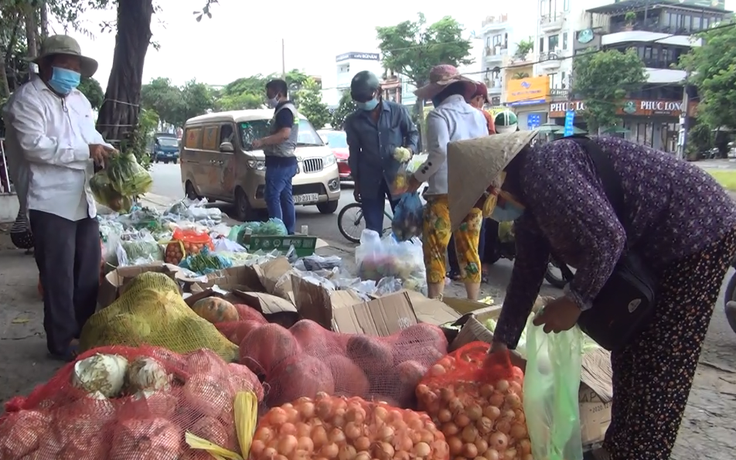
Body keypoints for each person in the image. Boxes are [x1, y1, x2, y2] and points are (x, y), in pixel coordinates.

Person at [449, 132, 736, 460]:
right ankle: (618, 448)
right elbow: (526, 275)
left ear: (497, 183)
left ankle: (642, 453)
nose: (489, 212)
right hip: (656, 247)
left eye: (485, 202)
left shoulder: (546, 174)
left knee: (661, 361)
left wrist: (574, 301)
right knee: (629, 350)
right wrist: (502, 343)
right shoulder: (530, 207)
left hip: (696, 232)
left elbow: (608, 239)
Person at [3, 35, 116, 361]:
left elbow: (92, 137)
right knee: (58, 277)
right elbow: (35, 147)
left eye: (76, 67)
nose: (72, 72)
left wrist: (105, 149)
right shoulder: (27, 101)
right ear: (47, 66)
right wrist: (86, 151)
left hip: (84, 200)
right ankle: (61, 341)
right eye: (66, 65)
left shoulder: (80, 100)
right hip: (49, 202)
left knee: (86, 275)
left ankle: (83, 332)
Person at [406, 65, 488, 300]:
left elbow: (439, 153)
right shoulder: (478, 115)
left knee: (435, 251)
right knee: (469, 250)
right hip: (472, 193)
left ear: (437, 93)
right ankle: (473, 305)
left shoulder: (438, 115)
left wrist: (416, 178)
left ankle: (435, 305)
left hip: (442, 194)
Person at [344, 70, 419, 234]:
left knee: (406, 228)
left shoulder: (398, 111)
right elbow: (354, 152)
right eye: (359, 100)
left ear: (378, 91)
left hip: (397, 177)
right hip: (369, 181)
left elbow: (412, 133)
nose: (363, 102)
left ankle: (406, 258)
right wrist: (357, 183)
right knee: (373, 231)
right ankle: (376, 259)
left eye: (366, 98)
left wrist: (410, 150)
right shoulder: (353, 121)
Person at [447, 82, 496, 281]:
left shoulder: (445, 114)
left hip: (454, 181)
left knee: (453, 223)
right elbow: (490, 147)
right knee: (477, 229)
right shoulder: (483, 117)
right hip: (478, 180)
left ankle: (456, 269)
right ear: (478, 99)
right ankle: (477, 271)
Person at [252, 79, 299, 234]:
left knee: (272, 197)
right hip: (286, 161)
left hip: (280, 162)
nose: (268, 98)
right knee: (285, 198)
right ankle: (288, 232)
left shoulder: (285, 111)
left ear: (279, 94)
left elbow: (284, 134)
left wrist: (262, 141)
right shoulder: (287, 109)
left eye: (269, 94)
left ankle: (277, 233)